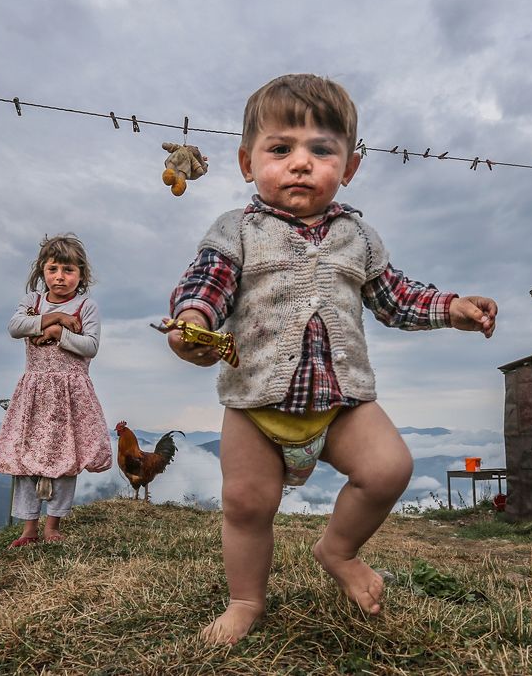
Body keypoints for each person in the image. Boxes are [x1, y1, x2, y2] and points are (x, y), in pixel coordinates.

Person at [164, 74, 497, 644]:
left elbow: (395, 296)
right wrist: (193, 323)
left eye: (321, 150)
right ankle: (246, 599)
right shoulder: (236, 230)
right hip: (255, 405)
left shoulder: (359, 237)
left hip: (342, 403)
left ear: (349, 168)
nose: (301, 163)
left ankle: (337, 550)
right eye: (280, 149)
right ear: (247, 163)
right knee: (246, 505)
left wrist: (451, 307)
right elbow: (207, 284)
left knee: (389, 468)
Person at [0, 234, 112, 548]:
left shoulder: (87, 306)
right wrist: (55, 318)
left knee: (65, 458)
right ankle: (29, 528)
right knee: (25, 458)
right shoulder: (32, 303)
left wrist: (57, 334)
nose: (60, 276)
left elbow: (91, 347)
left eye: (69, 270)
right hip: (35, 392)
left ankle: (52, 525)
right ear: (42, 271)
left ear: (81, 275)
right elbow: (16, 327)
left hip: (71, 394)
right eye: (54, 268)